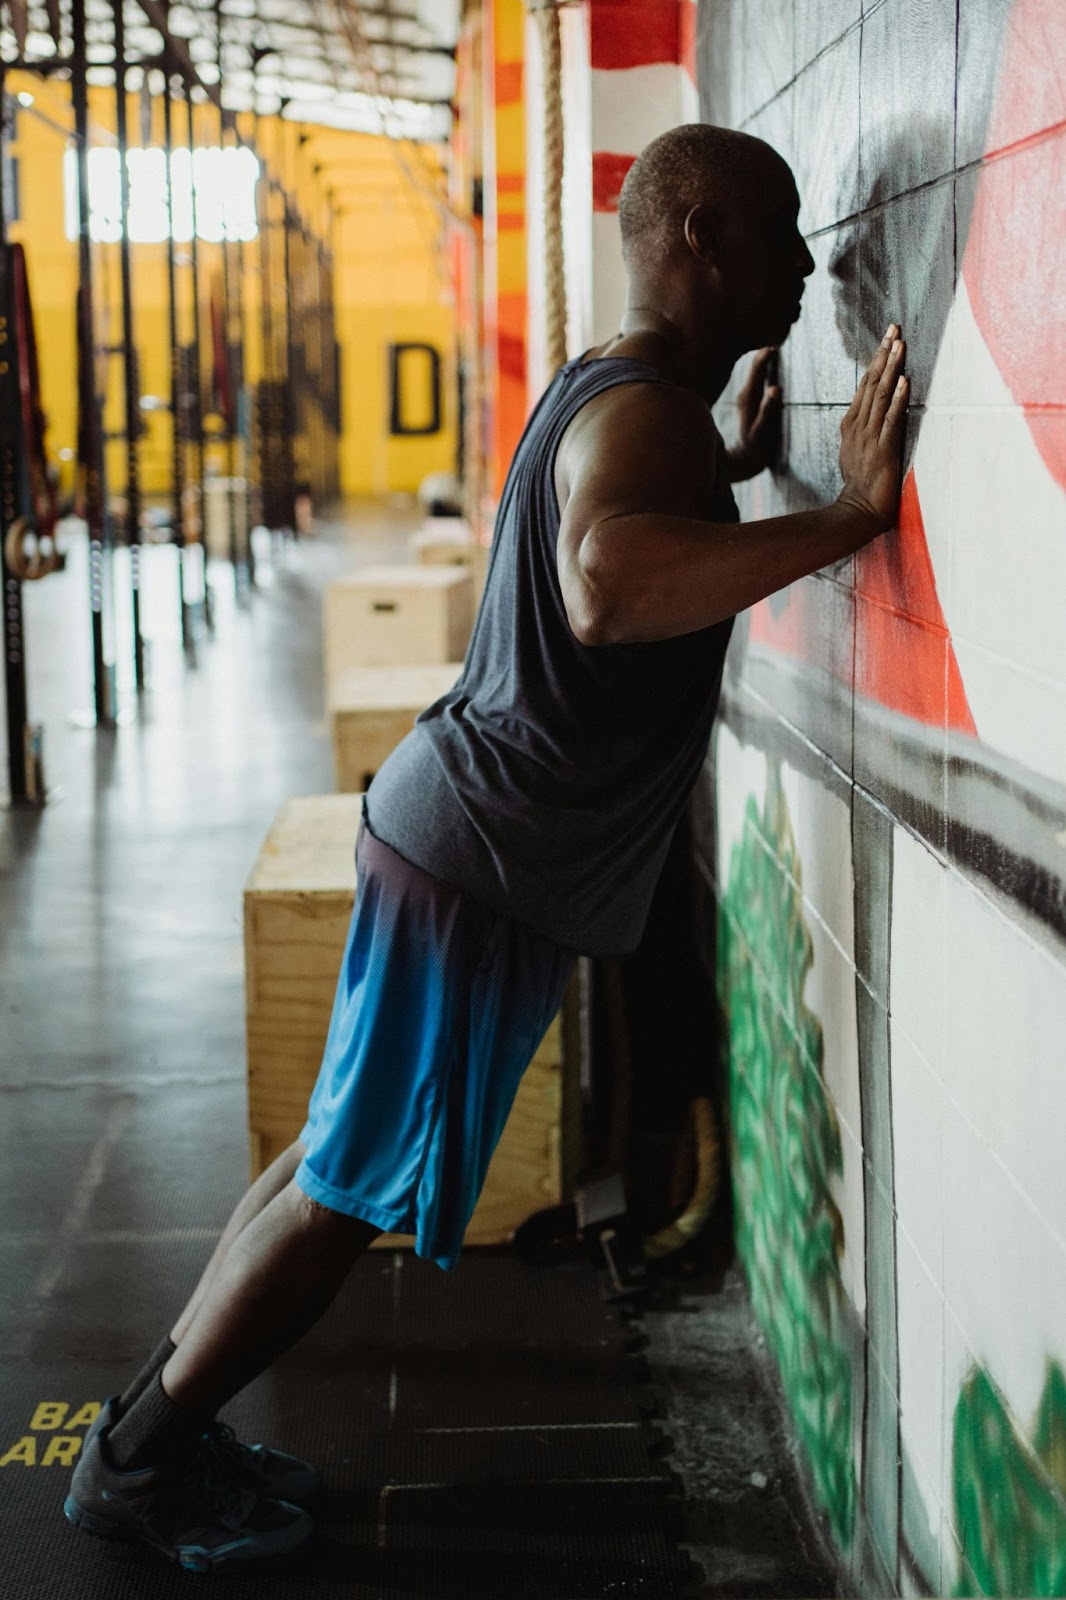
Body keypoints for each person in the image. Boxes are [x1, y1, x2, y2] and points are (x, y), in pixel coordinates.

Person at [64, 122, 908, 1573]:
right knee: (346, 1190)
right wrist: (844, 513)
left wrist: (736, 461)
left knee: (333, 1156)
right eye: (776, 232)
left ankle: (160, 1426)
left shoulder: (623, 388)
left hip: (453, 834)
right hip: (481, 858)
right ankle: (134, 1465)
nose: (804, 264)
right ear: (701, 236)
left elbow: (623, 515)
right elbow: (604, 581)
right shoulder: (643, 414)